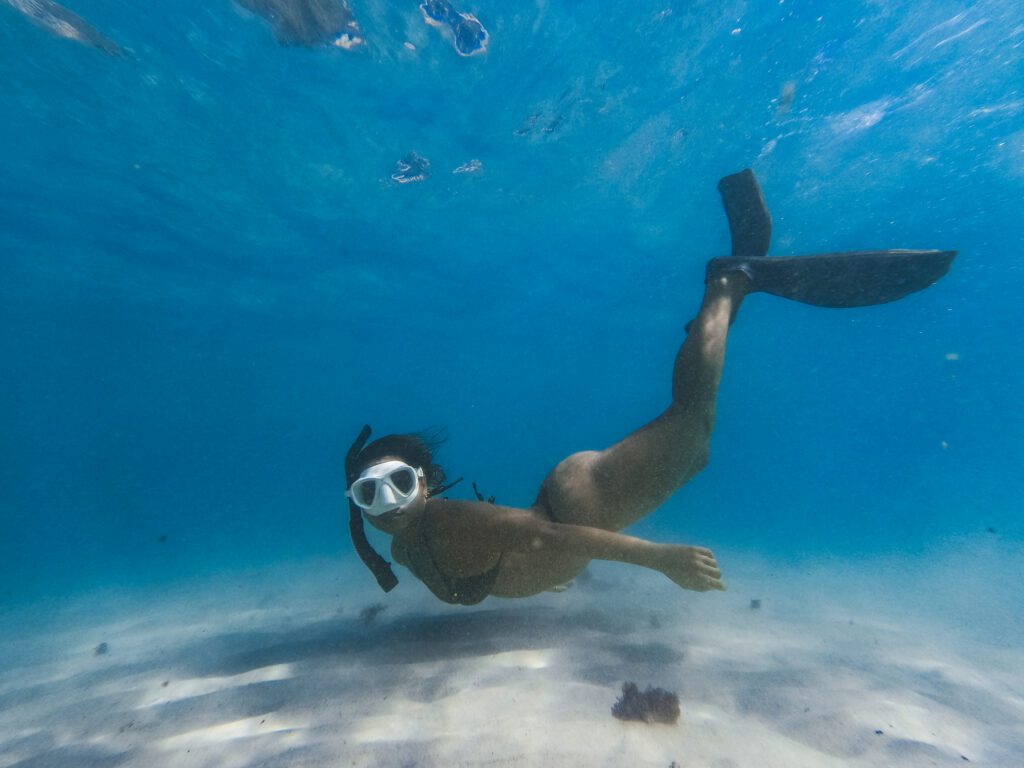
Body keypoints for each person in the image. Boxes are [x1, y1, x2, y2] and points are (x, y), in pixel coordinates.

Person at [344, 170, 956, 606]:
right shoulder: (402, 548)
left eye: (399, 482)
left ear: (425, 483)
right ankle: (736, 281)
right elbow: (517, 557)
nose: (389, 501)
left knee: (693, 424)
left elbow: (547, 537)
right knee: (697, 449)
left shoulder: (449, 523)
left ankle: (727, 284)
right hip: (566, 500)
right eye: (370, 493)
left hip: (578, 504)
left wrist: (659, 560)